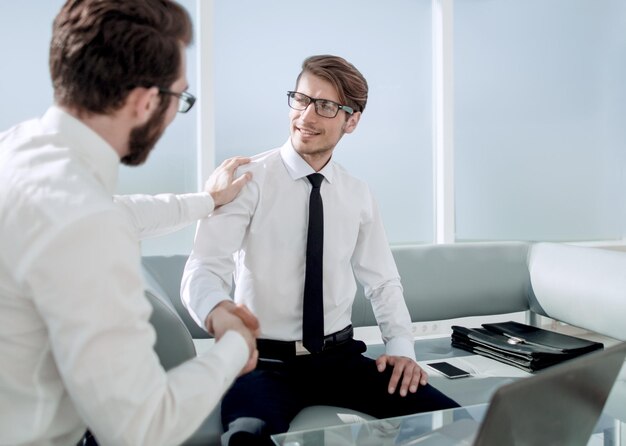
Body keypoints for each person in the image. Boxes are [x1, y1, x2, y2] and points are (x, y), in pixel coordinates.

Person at [0, 1, 260, 445]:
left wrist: (208, 201)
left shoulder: (20, 148)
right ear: (145, 102)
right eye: (181, 97)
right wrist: (236, 346)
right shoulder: (85, 218)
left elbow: (121, 210)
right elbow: (143, 427)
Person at [181, 54, 460, 446]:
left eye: (325, 106)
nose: (306, 116)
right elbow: (203, 269)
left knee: (456, 423)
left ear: (352, 120)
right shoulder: (247, 182)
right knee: (247, 439)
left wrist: (401, 349)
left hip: (339, 358)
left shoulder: (358, 193)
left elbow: (382, 281)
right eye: (301, 99)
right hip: (262, 362)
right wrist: (220, 316)